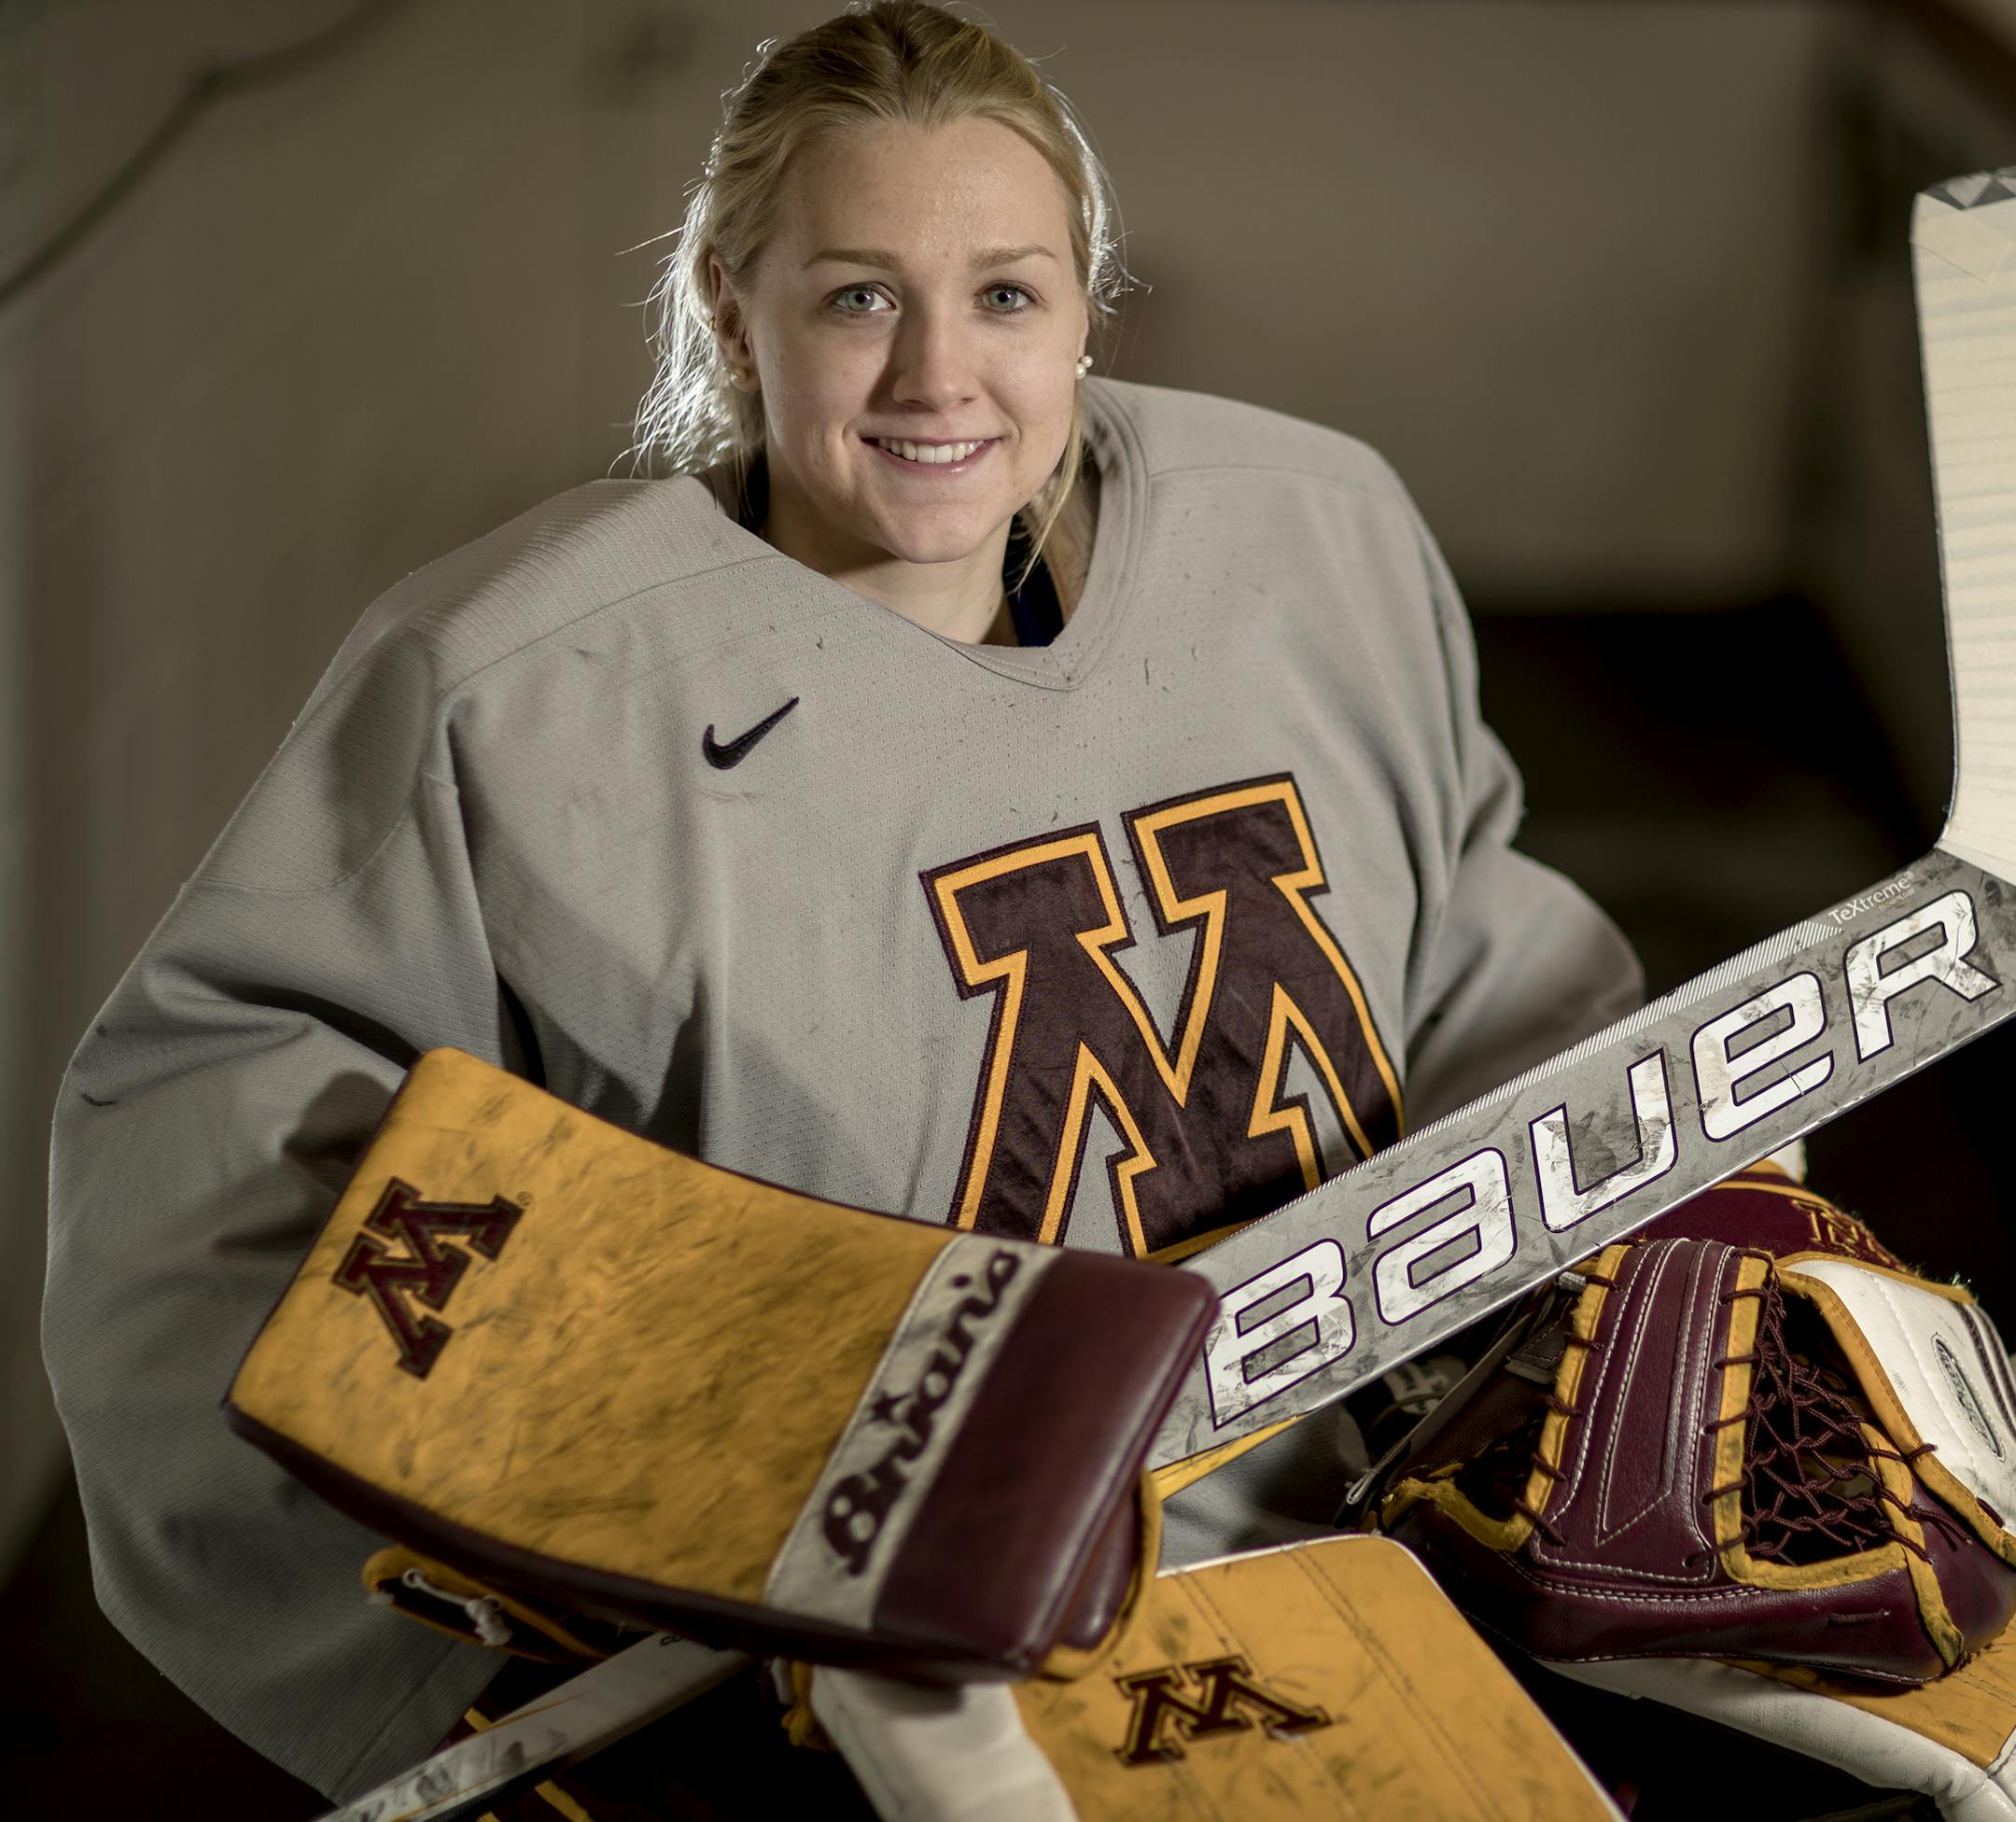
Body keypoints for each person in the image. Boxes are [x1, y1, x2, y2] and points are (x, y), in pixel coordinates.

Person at [40, 0, 1643, 1804]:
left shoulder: (1313, 531)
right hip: (842, 1706)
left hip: (1367, 1580)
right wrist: (534, 1632)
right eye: (860, 295)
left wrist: (1659, 1199)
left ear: (1091, 308)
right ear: (735, 312)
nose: (938, 379)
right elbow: (204, 1173)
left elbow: (1466, 937)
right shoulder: (519, 682)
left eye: (1009, 296)